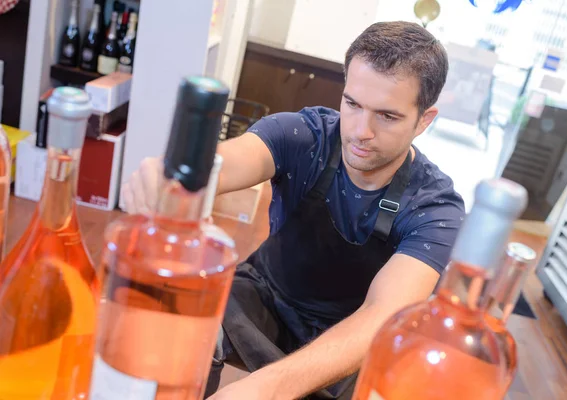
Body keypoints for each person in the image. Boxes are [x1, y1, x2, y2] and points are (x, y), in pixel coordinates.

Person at [122, 21, 466, 400]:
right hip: (265, 296)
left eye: (386, 116)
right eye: (352, 104)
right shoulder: (304, 137)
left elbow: (381, 316)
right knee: (184, 325)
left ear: (424, 120)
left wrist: (268, 387)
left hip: (348, 336)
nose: (359, 131)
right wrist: (171, 174)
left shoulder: (435, 208)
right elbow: (227, 162)